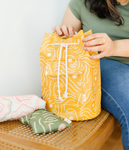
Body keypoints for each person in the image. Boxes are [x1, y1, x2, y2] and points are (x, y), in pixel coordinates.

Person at [52, 0, 129, 149]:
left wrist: (114, 46)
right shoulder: (82, 2)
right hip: (103, 63)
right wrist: (66, 34)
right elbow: (67, 40)